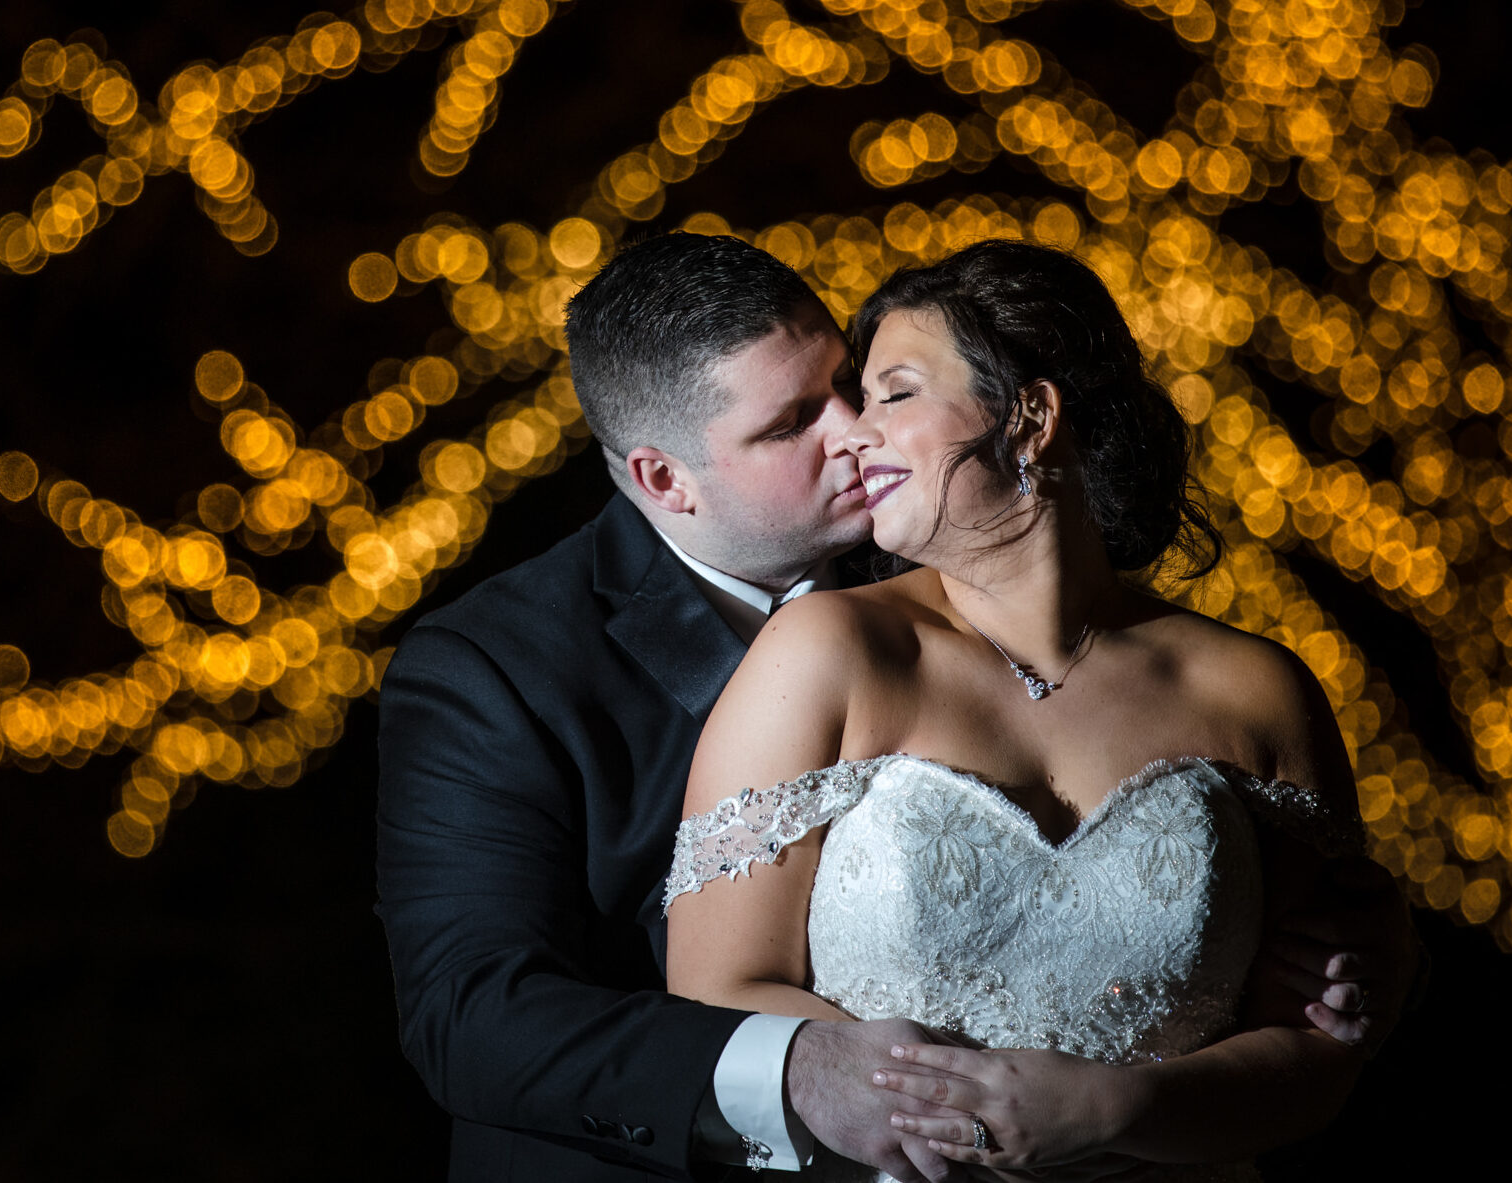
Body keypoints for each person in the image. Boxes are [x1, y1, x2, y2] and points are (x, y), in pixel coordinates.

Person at [377, 232, 1411, 1183]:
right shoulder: (495, 664)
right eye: (793, 422)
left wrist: (1351, 956)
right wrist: (795, 1069)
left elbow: (1306, 1002)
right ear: (664, 477)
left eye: (857, 387)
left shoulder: (952, 527)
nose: (852, 433)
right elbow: (473, 1014)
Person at [665, 239, 1393, 1180]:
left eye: (892, 392)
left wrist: (1119, 1106)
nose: (851, 431)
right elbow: (712, 989)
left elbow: (1320, 1038)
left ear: (1031, 414)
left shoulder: (1255, 691)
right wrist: (968, 1111)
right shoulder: (827, 655)